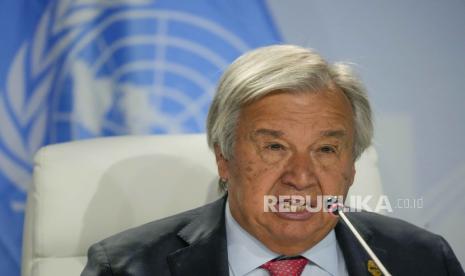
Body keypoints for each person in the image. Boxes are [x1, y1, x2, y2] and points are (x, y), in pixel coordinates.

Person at [81, 45, 464, 276]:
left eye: (326, 150)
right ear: (224, 159)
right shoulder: (129, 268)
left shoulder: (424, 261)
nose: (300, 178)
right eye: (274, 147)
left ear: (352, 167)